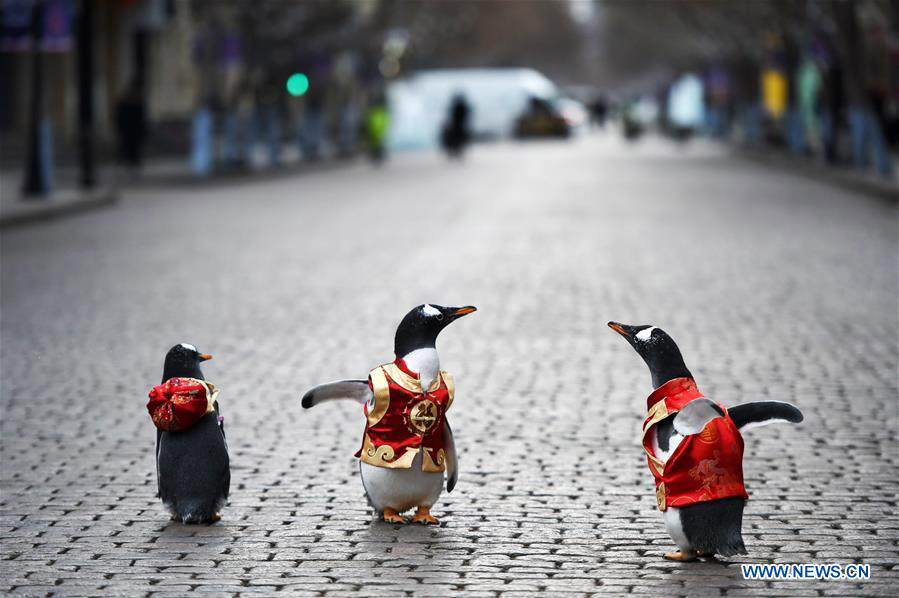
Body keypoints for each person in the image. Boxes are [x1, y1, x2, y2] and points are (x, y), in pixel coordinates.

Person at [115, 81, 147, 172]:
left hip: (133, 131)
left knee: (132, 147)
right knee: (128, 146)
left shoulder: (136, 105)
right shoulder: (131, 105)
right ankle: (129, 161)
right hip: (129, 130)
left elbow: (141, 119)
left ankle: (132, 162)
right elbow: (120, 118)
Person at [441, 94, 471, 158]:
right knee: (459, 141)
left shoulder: (458, 107)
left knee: (457, 140)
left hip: (458, 126)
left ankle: (456, 152)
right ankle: (457, 152)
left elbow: (453, 116)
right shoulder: (462, 107)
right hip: (460, 126)